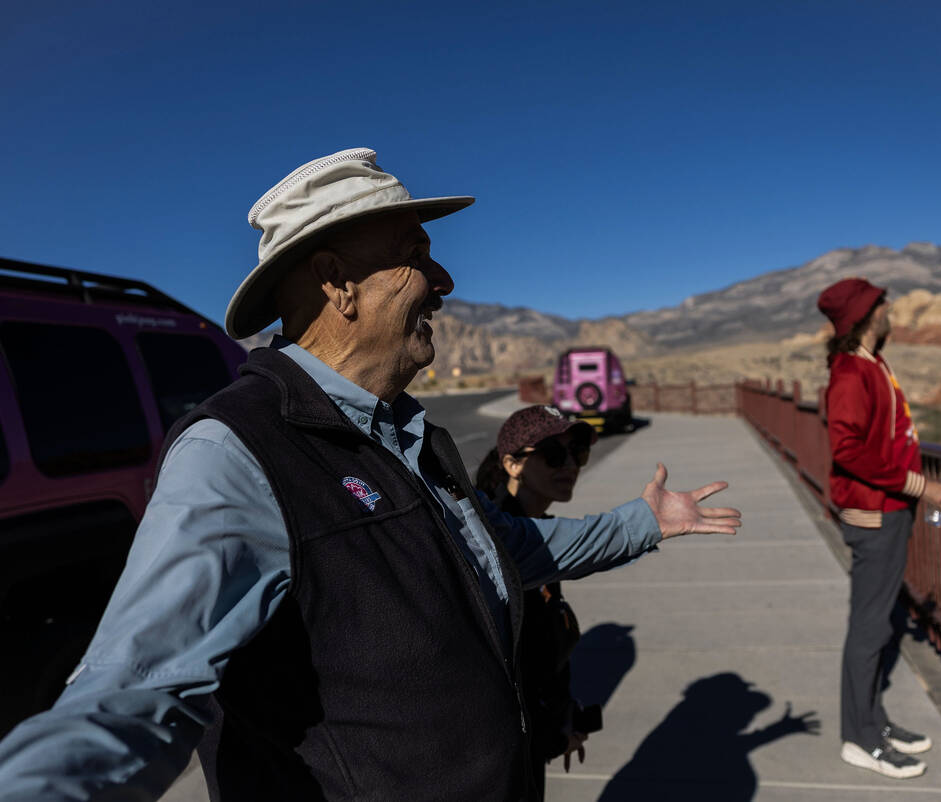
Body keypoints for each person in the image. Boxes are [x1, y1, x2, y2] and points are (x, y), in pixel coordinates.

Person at [0, 148, 741, 802]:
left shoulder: (411, 431)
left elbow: (500, 551)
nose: (445, 278)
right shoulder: (237, 449)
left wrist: (645, 522)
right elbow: (135, 688)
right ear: (337, 283)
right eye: (416, 252)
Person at [817, 277, 941, 780]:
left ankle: (873, 721)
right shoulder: (851, 372)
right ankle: (858, 739)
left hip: (889, 511)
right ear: (865, 314)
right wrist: (922, 486)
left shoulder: (873, 364)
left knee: (877, 625)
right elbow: (848, 451)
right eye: (882, 302)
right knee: (869, 628)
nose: (890, 307)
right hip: (874, 515)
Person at [475, 406, 600, 800]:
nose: (569, 465)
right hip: (503, 758)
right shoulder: (496, 543)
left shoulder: (537, 532)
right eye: (552, 454)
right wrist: (549, 734)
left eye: (576, 452)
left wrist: (566, 718)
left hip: (533, 742)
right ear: (512, 464)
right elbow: (505, 669)